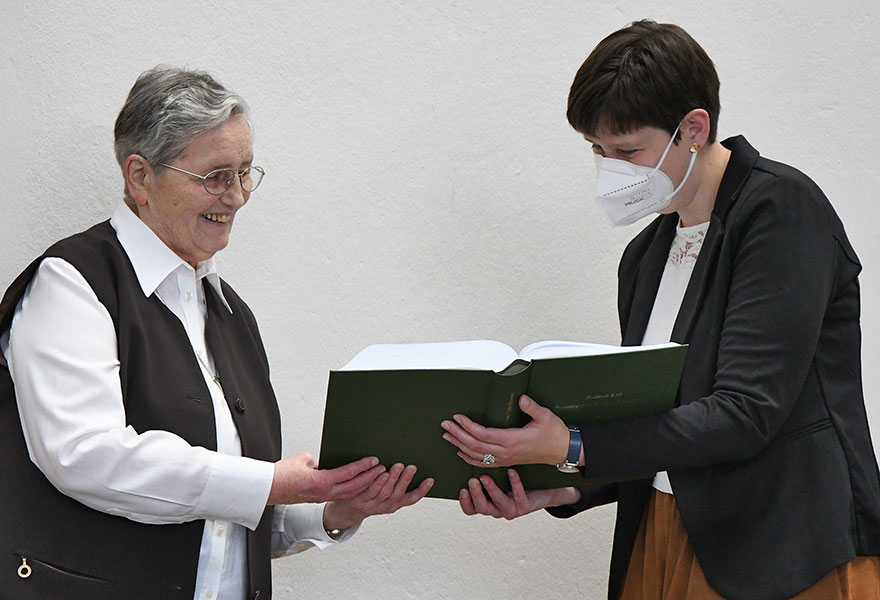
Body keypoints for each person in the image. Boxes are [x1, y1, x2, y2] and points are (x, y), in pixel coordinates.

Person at [440, 20, 880, 600]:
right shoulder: (646, 254)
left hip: (784, 549)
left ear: (693, 128)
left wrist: (573, 445)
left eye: (627, 150)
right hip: (667, 532)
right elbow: (661, 426)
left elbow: (746, 413)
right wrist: (563, 486)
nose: (611, 169)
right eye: (598, 151)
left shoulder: (780, 210)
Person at [0, 66, 433, 600]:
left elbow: (225, 524)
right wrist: (273, 482)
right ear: (139, 177)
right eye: (215, 176)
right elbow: (85, 455)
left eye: (246, 172)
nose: (237, 197)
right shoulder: (73, 283)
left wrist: (335, 509)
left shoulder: (230, 313)